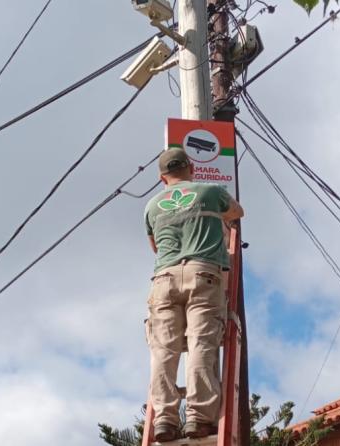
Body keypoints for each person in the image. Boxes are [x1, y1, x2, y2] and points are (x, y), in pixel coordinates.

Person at [144, 147, 244, 442]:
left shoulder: (151, 206)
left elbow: (155, 247)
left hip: (164, 278)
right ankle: (198, 418)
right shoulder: (210, 191)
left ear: (163, 178)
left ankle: (164, 420)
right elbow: (237, 213)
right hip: (204, 274)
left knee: (164, 351)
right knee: (201, 343)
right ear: (191, 167)